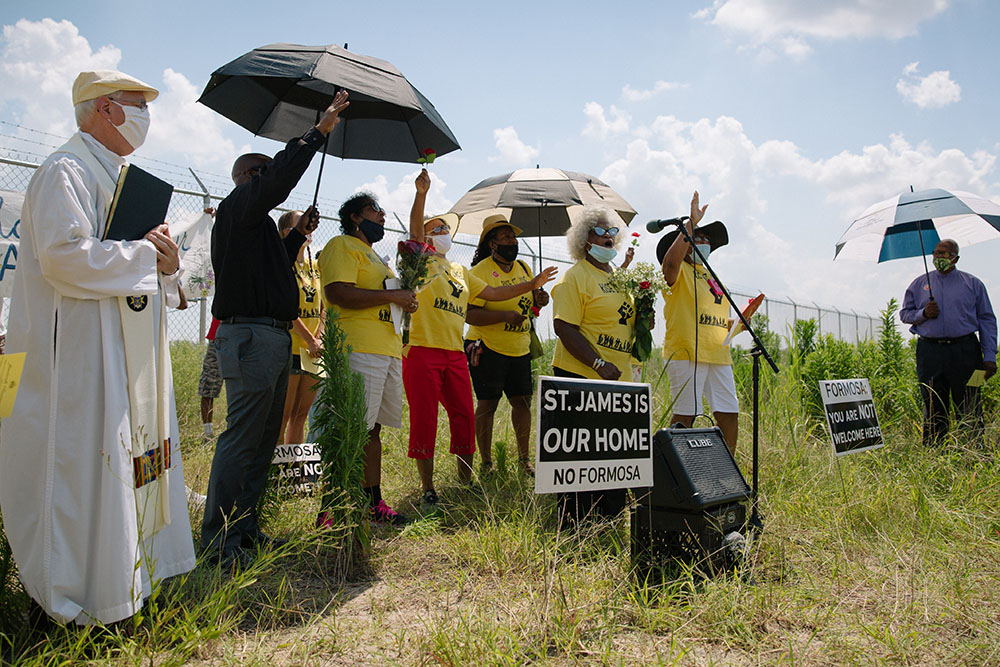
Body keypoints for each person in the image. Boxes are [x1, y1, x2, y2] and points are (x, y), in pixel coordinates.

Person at [0, 70, 195, 624]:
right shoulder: (66, 169)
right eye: (137, 105)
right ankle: (76, 602)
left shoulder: (120, 175)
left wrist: (167, 265)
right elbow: (65, 256)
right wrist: (140, 255)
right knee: (84, 473)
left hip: (126, 358)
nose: (145, 116)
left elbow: (140, 261)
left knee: (132, 463)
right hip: (81, 359)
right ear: (104, 109)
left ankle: (126, 584)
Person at [201, 89, 350, 567]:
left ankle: (244, 531)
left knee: (263, 440)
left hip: (269, 335)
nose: (270, 179)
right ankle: (218, 542)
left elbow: (269, 276)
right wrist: (316, 134)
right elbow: (279, 182)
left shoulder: (255, 224)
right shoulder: (239, 205)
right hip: (249, 337)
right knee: (243, 438)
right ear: (247, 177)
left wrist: (296, 239)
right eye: (263, 172)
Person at [407, 169, 557, 507]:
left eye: (446, 229)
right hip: (427, 350)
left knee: (462, 414)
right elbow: (417, 231)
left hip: (455, 353)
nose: (443, 233)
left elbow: (491, 292)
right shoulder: (419, 263)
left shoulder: (458, 270)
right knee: (427, 418)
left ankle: (466, 480)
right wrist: (421, 196)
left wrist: (533, 287)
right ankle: (428, 486)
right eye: (436, 229)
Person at [316, 192, 417, 526]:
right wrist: (392, 295)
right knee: (350, 428)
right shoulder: (341, 246)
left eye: (384, 212)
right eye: (375, 211)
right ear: (355, 217)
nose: (383, 217)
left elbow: (383, 297)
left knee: (372, 431)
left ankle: (372, 502)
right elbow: (338, 293)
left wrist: (404, 301)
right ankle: (332, 507)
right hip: (357, 348)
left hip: (386, 350)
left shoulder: (377, 258)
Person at [551, 205, 636, 524]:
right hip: (582, 376)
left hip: (618, 380)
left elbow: (622, 321)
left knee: (612, 451)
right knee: (581, 451)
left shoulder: (620, 279)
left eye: (613, 231)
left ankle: (610, 514)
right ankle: (575, 519)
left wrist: (644, 322)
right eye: (601, 231)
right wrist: (599, 363)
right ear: (585, 240)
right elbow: (564, 328)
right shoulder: (576, 278)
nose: (609, 237)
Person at [465, 215, 550, 476]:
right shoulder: (478, 272)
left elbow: (530, 309)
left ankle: (524, 460)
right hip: (487, 347)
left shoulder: (524, 268)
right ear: (492, 244)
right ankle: (487, 463)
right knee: (487, 405)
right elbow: (469, 314)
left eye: (513, 237)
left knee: (522, 403)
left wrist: (539, 301)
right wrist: (504, 316)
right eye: (505, 238)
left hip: (519, 347)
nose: (512, 242)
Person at [658, 192, 738, 454]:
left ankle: (727, 470)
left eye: (707, 239)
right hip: (686, 351)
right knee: (686, 415)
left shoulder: (713, 277)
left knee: (728, 410)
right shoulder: (678, 271)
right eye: (698, 237)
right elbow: (669, 265)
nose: (704, 241)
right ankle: (675, 472)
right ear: (686, 243)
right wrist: (690, 223)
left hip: (718, 354)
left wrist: (738, 323)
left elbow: (715, 320)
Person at [900, 239, 997, 446]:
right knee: (933, 405)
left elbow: (987, 320)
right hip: (929, 352)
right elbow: (905, 314)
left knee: (971, 403)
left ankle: (973, 455)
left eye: (945, 253)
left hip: (967, 351)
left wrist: (989, 357)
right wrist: (923, 313)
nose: (939, 257)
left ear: (956, 258)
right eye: (936, 253)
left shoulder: (973, 284)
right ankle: (935, 455)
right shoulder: (919, 284)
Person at [277, 210, 324, 446]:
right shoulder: (282, 264)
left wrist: (320, 338)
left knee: (301, 416)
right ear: (287, 232)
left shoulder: (315, 266)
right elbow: (286, 308)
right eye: (302, 223)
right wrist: (308, 339)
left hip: (313, 351)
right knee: (282, 415)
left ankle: (294, 472)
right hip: (292, 348)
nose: (309, 227)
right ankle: (275, 475)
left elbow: (323, 306)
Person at [198, 317, 222, 438]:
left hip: (242, 334)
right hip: (217, 337)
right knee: (208, 386)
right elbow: (203, 296)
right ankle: (208, 433)